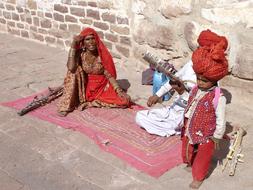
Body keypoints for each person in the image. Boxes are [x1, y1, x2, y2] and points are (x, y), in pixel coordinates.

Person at [181, 29, 228, 189]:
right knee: (188, 146)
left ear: (214, 79)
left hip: (207, 132)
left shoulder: (218, 97)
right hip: (191, 124)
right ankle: (189, 162)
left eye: (204, 80)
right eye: (198, 79)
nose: (200, 82)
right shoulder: (196, 88)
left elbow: (221, 119)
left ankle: (199, 176)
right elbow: (191, 102)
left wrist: (217, 136)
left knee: (203, 155)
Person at [57, 27, 131, 116]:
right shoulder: (81, 54)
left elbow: (109, 75)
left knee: (124, 101)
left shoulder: (102, 55)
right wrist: (73, 46)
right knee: (74, 72)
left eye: (93, 39)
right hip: (86, 86)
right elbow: (71, 67)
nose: (91, 42)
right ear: (83, 42)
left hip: (102, 87)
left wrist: (119, 90)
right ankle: (66, 106)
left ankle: (91, 102)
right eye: (87, 39)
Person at [135, 59, 196, 137]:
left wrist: (182, 93)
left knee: (173, 125)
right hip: (172, 108)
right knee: (139, 116)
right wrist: (157, 95)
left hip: (185, 112)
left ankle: (172, 129)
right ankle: (166, 127)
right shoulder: (190, 64)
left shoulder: (206, 79)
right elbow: (173, 80)